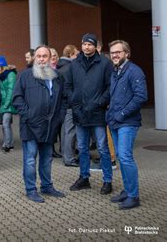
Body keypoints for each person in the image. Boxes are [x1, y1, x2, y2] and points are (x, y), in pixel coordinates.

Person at [12, 45, 67, 203]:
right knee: (30, 159)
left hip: (50, 125)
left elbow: (64, 98)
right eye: (39, 56)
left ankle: (47, 186)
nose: (42, 59)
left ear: (51, 58)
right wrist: (28, 114)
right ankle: (31, 189)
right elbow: (17, 98)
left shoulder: (57, 76)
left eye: (45, 56)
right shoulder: (25, 76)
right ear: (34, 58)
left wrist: (60, 116)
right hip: (30, 125)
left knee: (46, 158)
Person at [66, 33, 113, 195]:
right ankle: (84, 177)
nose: (87, 47)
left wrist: (99, 102)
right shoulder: (74, 64)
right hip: (79, 112)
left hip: (97, 113)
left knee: (102, 147)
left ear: (95, 46)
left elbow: (109, 87)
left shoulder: (105, 64)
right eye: (84, 44)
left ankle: (108, 181)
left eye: (90, 44)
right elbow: (68, 85)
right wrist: (74, 101)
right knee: (82, 148)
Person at [106, 40, 147, 210]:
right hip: (115, 121)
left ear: (127, 54)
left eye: (118, 52)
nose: (115, 55)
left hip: (127, 122)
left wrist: (121, 114)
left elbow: (140, 97)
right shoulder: (115, 71)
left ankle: (133, 196)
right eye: (112, 53)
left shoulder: (134, 71)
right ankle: (127, 190)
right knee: (122, 160)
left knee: (125, 157)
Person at [57, 44, 80, 167]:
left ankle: (67, 155)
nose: (78, 56)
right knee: (70, 131)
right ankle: (69, 158)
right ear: (71, 55)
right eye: (76, 54)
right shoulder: (70, 68)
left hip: (63, 104)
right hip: (70, 104)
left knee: (65, 131)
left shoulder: (60, 67)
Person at [0, 55, 17, 152]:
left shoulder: (10, 75)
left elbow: (10, 90)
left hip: (8, 104)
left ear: (3, 66)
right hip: (3, 103)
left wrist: (7, 104)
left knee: (5, 124)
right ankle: (10, 143)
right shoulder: (0, 75)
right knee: (6, 125)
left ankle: (7, 144)